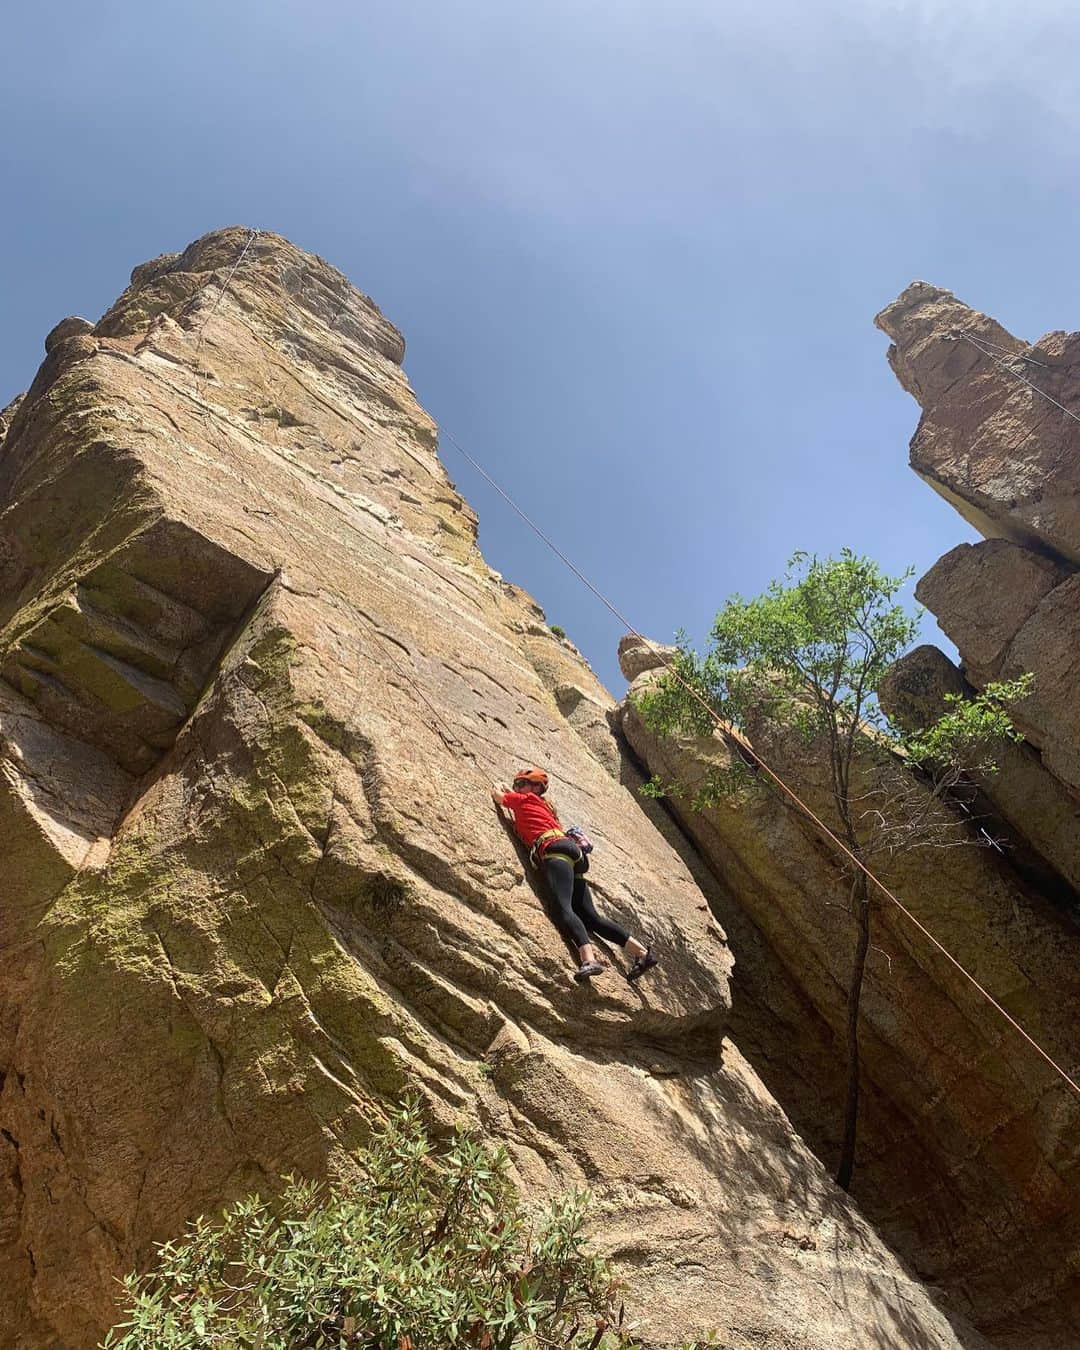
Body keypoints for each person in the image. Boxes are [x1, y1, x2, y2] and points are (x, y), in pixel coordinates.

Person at [491, 767, 659, 984]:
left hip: (555, 851)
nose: (517, 788)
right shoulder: (545, 808)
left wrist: (500, 787)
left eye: (520, 784)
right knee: (591, 918)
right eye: (516, 786)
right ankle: (643, 954)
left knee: (563, 909)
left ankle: (588, 960)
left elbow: (499, 796)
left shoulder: (524, 801)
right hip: (574, 855)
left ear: (534, 787)